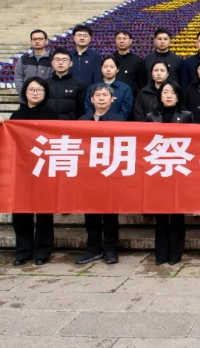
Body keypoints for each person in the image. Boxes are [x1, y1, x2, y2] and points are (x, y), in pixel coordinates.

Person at [0, 77, 58, 266]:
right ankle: (23, 251)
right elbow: (3, 140)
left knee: (44, 213)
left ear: (45, 93)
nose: (35, 92)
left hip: (44, 169)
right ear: (25, 92)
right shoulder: (16, 116)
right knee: (20, 212)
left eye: (39, 90)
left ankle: (43, 251)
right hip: (21, 171)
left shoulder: (52, 115)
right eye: (31, 89)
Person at [76, 84, 126, 265]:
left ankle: (110, 248)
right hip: (88, 175)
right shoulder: (82, 121)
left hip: (110, 174)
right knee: (90, 213)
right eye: (97, 95)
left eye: (105, 95)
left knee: (110, 214)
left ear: (112, 99)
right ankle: (93, 248)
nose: (101, 98)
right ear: (91, 99)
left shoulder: (119, 122)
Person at [145, 81, 194, 265]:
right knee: (161, 215)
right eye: (165, 92)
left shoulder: (187, 116)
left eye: (172, 92)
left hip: (179, 170)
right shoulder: (151, 117)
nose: (168, 95)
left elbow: (193, 143)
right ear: (159, 95)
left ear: (178, 95)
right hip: (158, 170)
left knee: (177, 214)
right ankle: (161, 252)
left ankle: (176, 252)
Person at [45, 47, 87, 120]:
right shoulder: (45, 84)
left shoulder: (79, 85)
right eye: (57, 60)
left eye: (64, 60)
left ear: (70, 63)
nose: (60, 62)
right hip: (48, 124)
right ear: (52, 63)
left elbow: (82, 110)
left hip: (70, 126)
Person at [14, 29, 53, 103]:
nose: (37, 41)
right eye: (34, 39)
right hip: (26, 102)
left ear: (46, 41)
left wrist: (42, 95)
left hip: (46, 102)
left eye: (40, 39)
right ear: (31, 42)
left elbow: (53, 81)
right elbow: (18, 79)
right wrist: (27, 94)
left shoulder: (52, 60)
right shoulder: (23, 59)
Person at [112, 31, 144, 99]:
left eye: (124, 38)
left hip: (131, 98)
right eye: (119, 38)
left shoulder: (138, 60)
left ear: (130, 41)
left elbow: (141, 83)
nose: (121, 41)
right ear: (115, 41)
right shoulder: (110, 60)